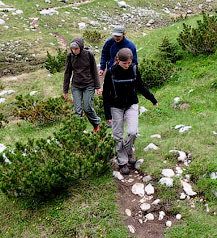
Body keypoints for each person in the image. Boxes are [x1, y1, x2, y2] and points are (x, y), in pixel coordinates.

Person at [102, 47, 157, 175]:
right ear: (118, 60)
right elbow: (105, 94)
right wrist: (107, 114)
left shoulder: (134, 69)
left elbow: (140, 86)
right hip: (116, 106)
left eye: (129, 63)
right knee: (118, 135)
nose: (127, 65)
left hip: (131, 104)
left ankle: (129, 150)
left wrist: (152, 99)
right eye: (124, 63)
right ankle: (122, 162)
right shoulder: (111, 72)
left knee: (133, 132)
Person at [62, 37, 102, 131]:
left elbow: (94, 71)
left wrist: (98, 87)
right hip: (76, 86)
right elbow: (67, 73)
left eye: (76, 49)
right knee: (77, 111)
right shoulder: (70, 56)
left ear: (81, 47)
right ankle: (78, 131)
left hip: (89, 85)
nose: (74, 51)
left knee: (87, 108)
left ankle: (96, 124)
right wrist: (65, 90)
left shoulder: (89, 54)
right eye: (72, 49)